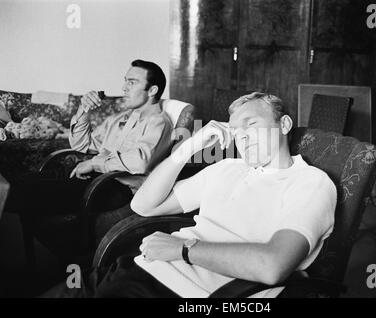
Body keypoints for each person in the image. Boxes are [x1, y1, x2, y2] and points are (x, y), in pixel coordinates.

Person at [44, 92, 336, 298]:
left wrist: (183, 250)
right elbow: (143, 204)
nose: (242, 137)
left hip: (180, 291)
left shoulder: (310, 182)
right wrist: (187, 149)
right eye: (235, 131)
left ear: (283, 125)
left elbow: (273, 266)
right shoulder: (227, 168)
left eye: (252, 124)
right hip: (133, 269)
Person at [5, 60, 173, 224]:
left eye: (132, 82)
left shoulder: (158, 122)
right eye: (125, 81)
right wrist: (83, 110)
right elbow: (81, 145)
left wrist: (94, 163)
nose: (124, 88)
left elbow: (139, 161)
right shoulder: (121, 118)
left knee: (18, 193)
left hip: (114, 187)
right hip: (93, 179)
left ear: (152, 90)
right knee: (16, 181)